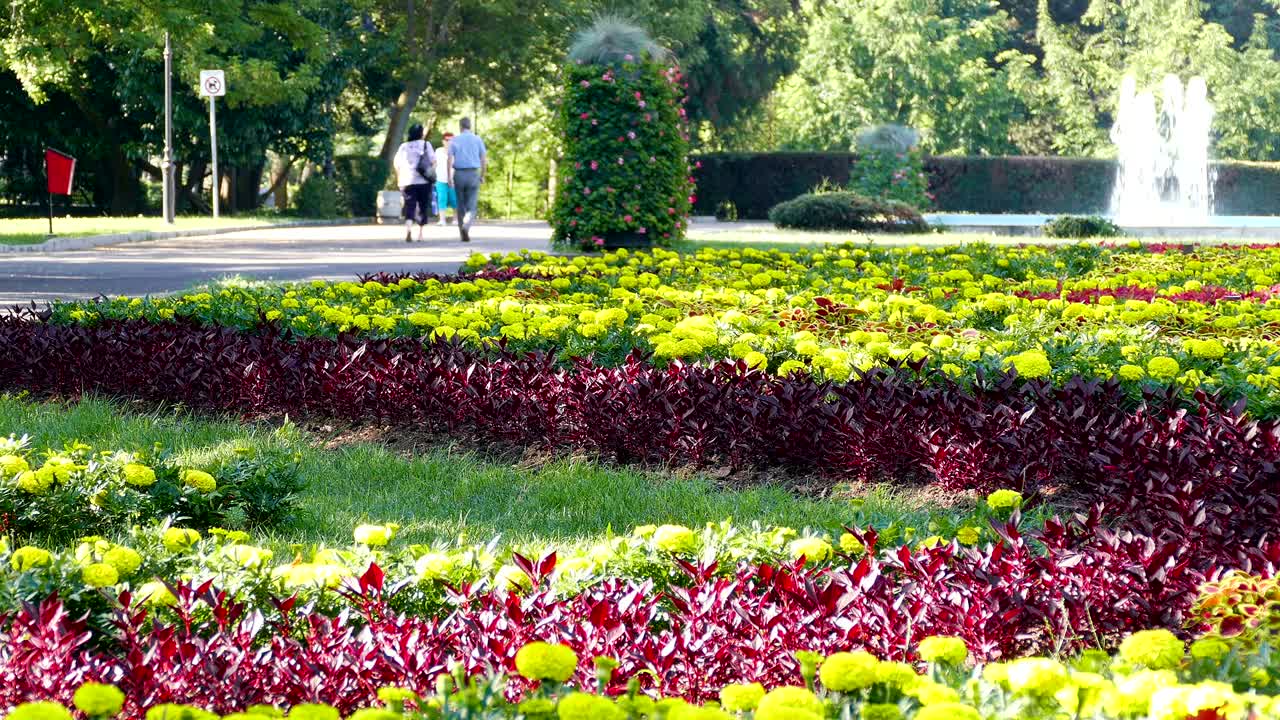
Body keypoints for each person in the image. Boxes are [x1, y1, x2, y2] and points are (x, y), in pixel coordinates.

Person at [392, 123, 435, 243]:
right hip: (424, 181)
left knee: (409, 206)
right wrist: (430, 172)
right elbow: (433, 161)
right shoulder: (426, 144)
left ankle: (409, 229)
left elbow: (396, 164)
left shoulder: (403, 146)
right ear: (421, 133)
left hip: (407, 180)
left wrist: (399, 178)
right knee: (422, 206)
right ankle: (420, 234)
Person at [447, 117, 487, 243]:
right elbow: (483, 158)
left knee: (460, 205)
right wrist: (483, 175)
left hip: (459, 174)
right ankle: (466, 225)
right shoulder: (477, 139)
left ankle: (462, 232)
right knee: (472, 205)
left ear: (460, 127)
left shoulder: (454, 140)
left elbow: (449, 159)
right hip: (473, 173)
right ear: (470, 126)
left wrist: (449, 177)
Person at [434, 132, 457, 226]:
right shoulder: (438, 151)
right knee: (441, 199)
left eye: (451, 140)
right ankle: (442, 220)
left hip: (453, 180)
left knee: (454, 200)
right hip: (440, 179)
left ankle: (455, 219)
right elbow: (434, 163)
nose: (449, 142)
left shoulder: (456, 151)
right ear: (443, 141)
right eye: (447, 140)